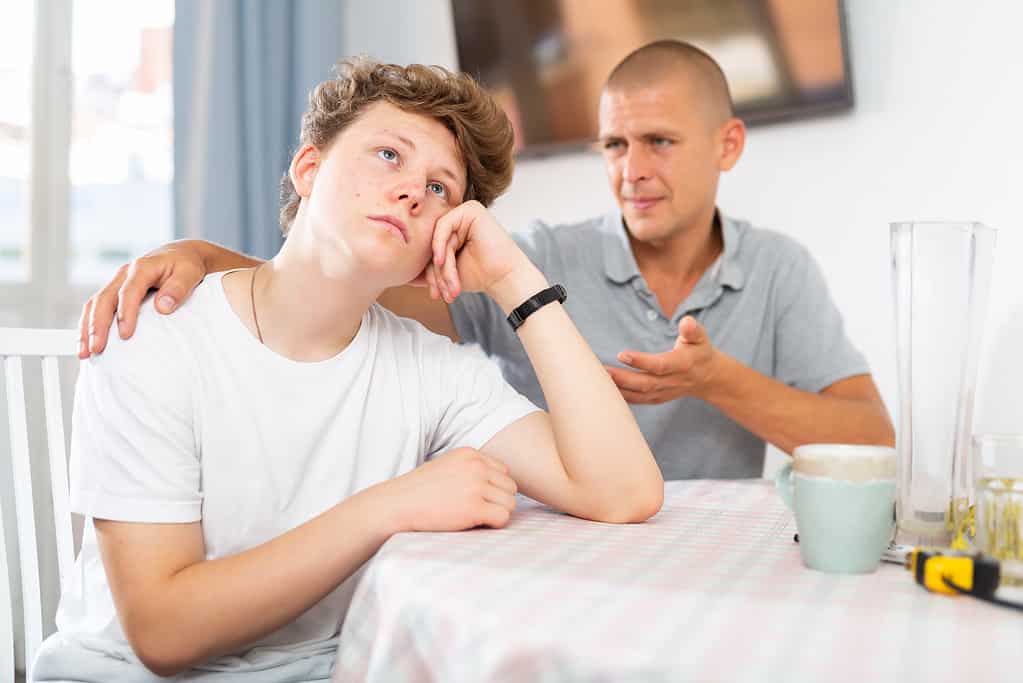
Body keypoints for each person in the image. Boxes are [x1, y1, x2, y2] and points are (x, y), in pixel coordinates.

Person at [34, 58, 663, 682]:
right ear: (308, 169)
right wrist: (392, 506)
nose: (414, 190)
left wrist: (512, 279)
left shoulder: (430, 369)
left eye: (440, 188)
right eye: (389, 154)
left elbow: (623, 492)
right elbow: (163, 631)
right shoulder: (155, 329)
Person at [78, 41, 894, 481]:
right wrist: (207, 257)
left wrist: (715, 378)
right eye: (612, 143)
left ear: (727, 145)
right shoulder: (537, 258)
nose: (630, 168)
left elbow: (873, 440)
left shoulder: (779, 270)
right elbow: (351, 282)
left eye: (659, 142)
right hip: (543, 548)